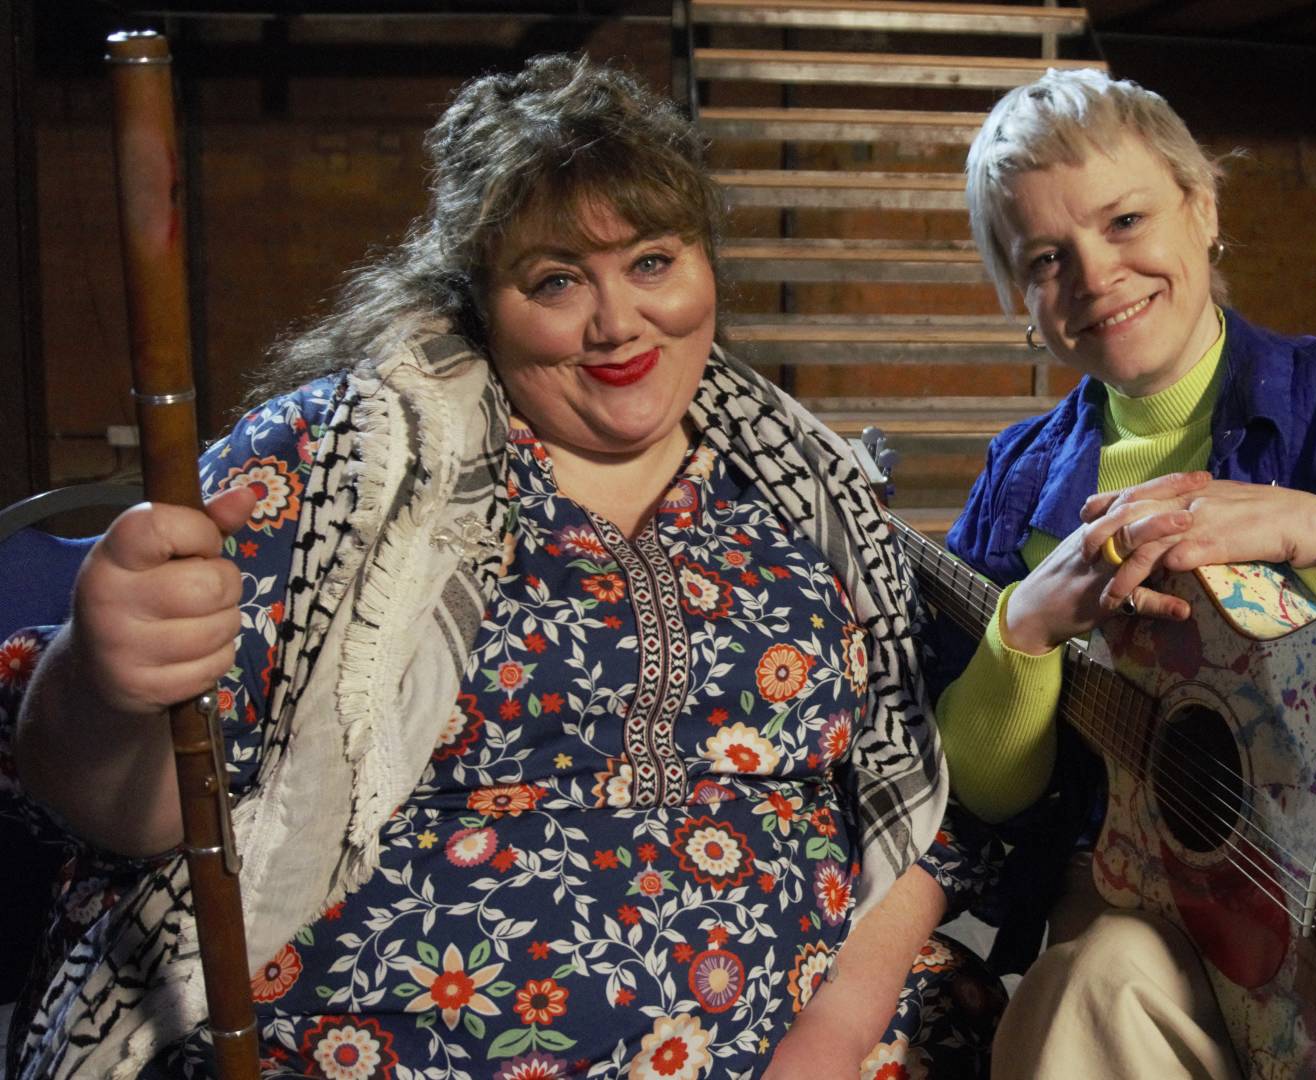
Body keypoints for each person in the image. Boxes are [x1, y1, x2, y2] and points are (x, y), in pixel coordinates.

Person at [0, 54, 1001, 1079]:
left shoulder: (804, 491)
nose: (618, 323)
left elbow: (918, 810)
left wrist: (834, 1035)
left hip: (805, 1037)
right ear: (480, 297)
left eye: (653, 261)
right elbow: (136, 812)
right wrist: (108, 684)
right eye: (557, 279)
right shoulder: (333, 469)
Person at [935, 68, 1316, 1077]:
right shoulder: (1017, 486)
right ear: (1018, 296)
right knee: (1088, 988)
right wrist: (1022, 633)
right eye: (1047, 258)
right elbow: (983, 796)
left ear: (1204, 208)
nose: (1096, 275)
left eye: (1125, 220)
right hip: (1144, 908)